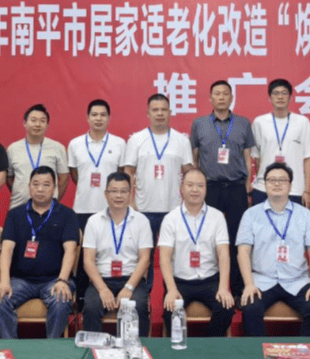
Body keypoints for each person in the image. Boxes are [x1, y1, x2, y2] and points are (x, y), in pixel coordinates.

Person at [237, 163, 310, 337]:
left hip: (297, 280)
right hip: (262, 280)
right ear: (264, 184)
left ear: (290, 185)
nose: (277, 183)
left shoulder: (305, 215)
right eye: (272, 180)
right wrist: (248, 285)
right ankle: (260, 350)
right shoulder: (251, 215)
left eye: (282, 180)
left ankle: (303, 350)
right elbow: (243, 252)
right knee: (250, 309)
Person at [0, 166, 79, 339]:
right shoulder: (15, 214)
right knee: (0, 299)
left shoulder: (67, 215)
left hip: (54, 279)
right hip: (21, 280)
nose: (40, 189)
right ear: (29, 186)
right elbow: (6, 249)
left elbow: (70, 250)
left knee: (61, 299)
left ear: (54, 188)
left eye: (46, 185)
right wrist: (4, 281)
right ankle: (10, 347)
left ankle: (51, 346)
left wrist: (62, 280)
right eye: (36, 184)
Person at [190, 80, 254, 299]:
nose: (221, 97)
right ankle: (212, 288)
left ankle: (237, 290)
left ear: (231, 97)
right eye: (216, 93)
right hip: (210, 189)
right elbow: (195, 159)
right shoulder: (199, 124)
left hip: (236, 188)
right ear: (210, 98)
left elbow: (248, 157)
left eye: (225, 93)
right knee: (208, 238)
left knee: (237, 239)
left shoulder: (243, 123)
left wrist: (247, 186)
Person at [158, 169, 235, 336]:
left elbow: (223, 255)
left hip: (209, 280)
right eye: (190, 185)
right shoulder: (171, 219)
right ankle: (181, 348)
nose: (195, 190)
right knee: (170, 313)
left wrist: (223, 287)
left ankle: (207, 345)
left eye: (200, 185)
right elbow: (164, 258)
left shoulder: (217, 217)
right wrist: (171, 289)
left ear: (206, 189)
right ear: (181, 188)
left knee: (226, 308)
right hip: (180, 281)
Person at [67, 99, 126, 310]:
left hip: (111, 209)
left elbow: (121, 174)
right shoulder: (75, 144)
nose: (98, 118)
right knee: (85, 255)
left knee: (111, 251)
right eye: (94, 114)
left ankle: (113, 295)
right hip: (83, 209)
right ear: (87, 117)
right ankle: (83, 300)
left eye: (102, 115)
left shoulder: (119, 144)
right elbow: (75, 175)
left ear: (109, 118)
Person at [82, 172, 152, 337]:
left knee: (139, 305)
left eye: (123, 191)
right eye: (114, 191)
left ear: (130, 193)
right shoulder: (94, 221)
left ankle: (138, 348)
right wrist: (102, 289)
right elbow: (88, 261)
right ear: (106, 194)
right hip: (102, 279)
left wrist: (128, 287)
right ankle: (93, 348)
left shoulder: (141, 221)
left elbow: (145, 259)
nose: (118, 195)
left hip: (131, 279)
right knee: (91, 306)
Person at [123, 93, 194, 240]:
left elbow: (189, 173)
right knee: (144, 251)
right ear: (148, 113)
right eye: (155, 110)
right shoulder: (136, 140)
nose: (160, 113)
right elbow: (128, 172)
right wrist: (130, 203)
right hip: (143, 209)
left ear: (170, 112)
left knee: (173, 251)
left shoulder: (182, 140)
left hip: (173, 209)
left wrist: (188, 203)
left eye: (164, 109)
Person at [250, 79, 310, 206]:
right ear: (269, 98)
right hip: (264, 188)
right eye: (276, 93)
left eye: (284, 93)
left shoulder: (302, 122)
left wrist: (307, 190)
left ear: (290, 98)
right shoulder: (259, 122)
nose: (280, 97)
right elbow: (257, 158)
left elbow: (308, 158)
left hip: (295, 188)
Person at [6, 104, 70, 210]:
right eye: (33, 120)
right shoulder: (13, 149)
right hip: (19, 206)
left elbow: (63, 179)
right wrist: (21, 192)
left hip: (48, 209)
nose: (37, 124)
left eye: (42, 121)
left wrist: (53, 199)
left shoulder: (58, 148)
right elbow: (9, 177)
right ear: (25, 123)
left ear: (47, 125)